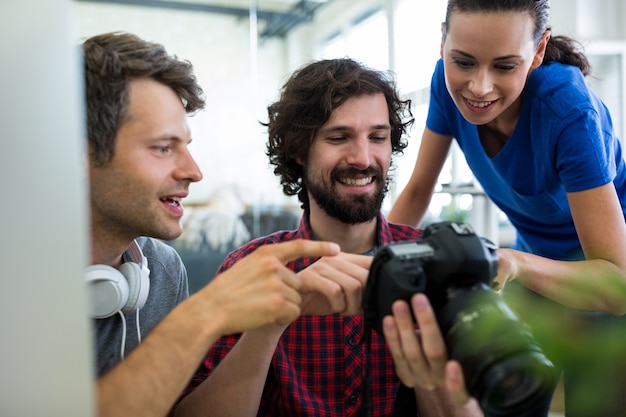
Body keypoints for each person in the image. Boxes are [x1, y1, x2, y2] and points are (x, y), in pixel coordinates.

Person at [175, 57, 483, 417]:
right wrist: (270, 325)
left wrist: (429, 358)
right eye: (339, 137)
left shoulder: (436, 259)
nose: (363, 158)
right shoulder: (249, 268)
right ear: (298, 149)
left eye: (378, 137)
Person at [82, 31, 340, 417]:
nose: (194, 172)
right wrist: (202, 314)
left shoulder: (163, 270)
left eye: (186, 146)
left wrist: (269, 323)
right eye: (163, 148)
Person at [388, 0, 626, 415]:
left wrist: (516, 263)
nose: (479, 87)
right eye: (462, 61)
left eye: (504, 66)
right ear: (442, 41)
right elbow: (417, 192)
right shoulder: (446, 86)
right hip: (531, 259)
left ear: (538, 52)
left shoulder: (568, 111)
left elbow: (616, 285)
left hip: (603, 271)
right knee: (504, 397)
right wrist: (374, 266)